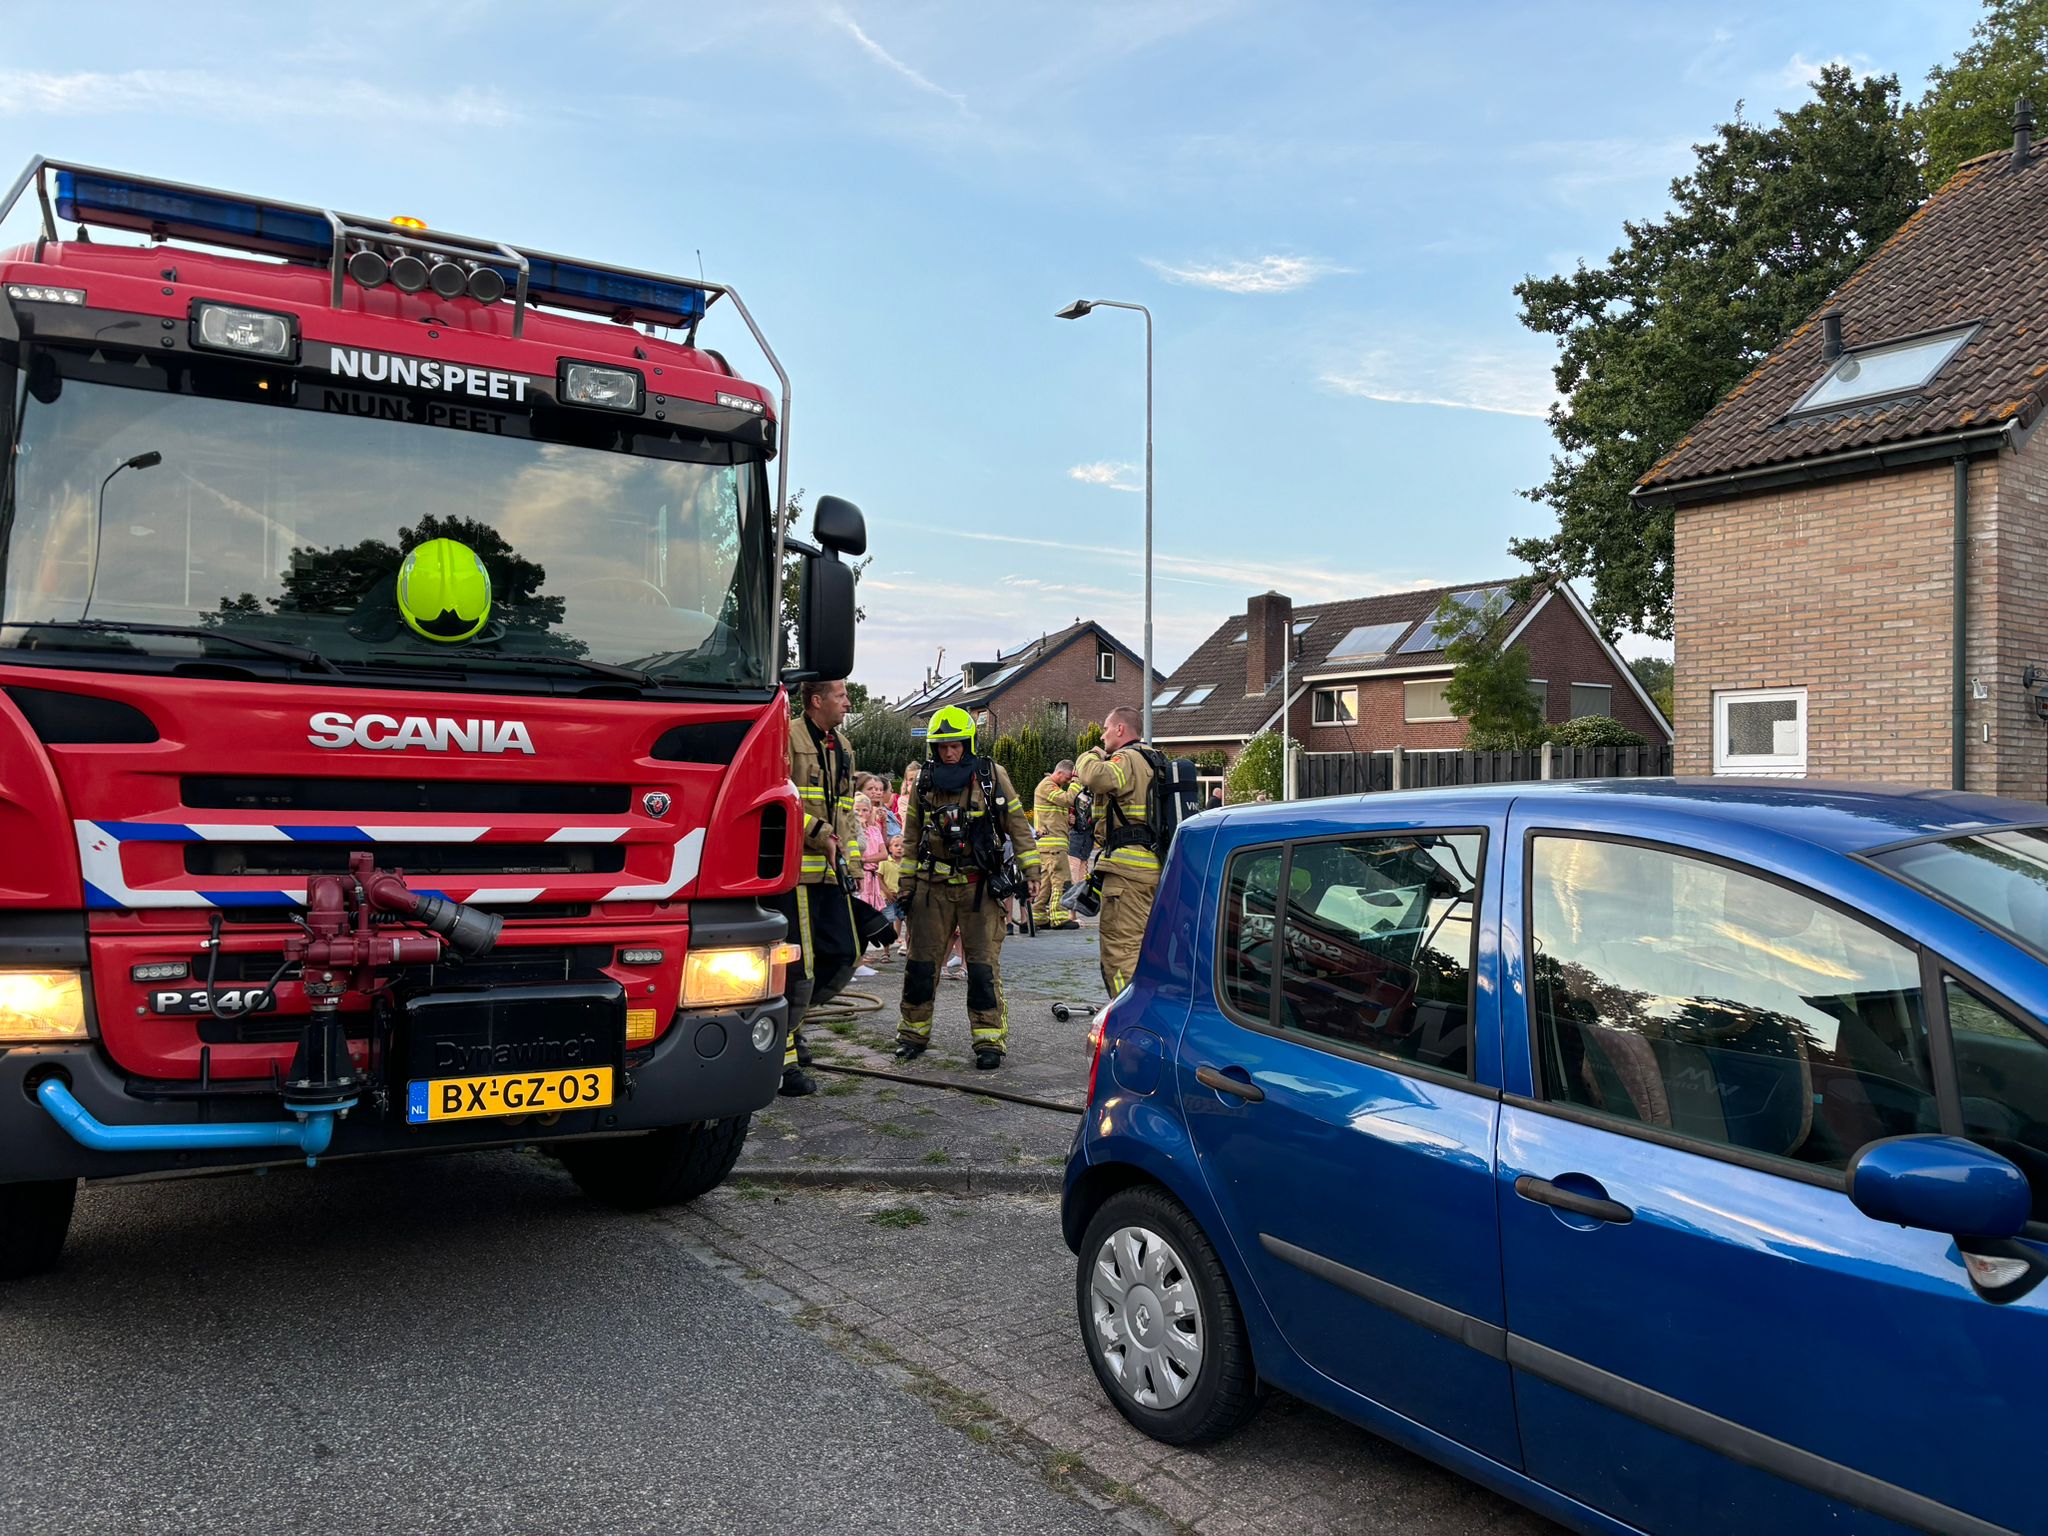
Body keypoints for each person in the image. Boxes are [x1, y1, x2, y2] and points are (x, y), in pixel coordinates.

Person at [895, 705, 1037, 1069]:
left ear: (967, 744)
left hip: (979, 888)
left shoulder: (990, 775)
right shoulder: (925, 780)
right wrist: (906, 886)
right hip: (932, 886)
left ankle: (989, 1042)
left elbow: (1018, 824)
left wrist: (1031, 870)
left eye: (955, 745)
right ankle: (912, 1035)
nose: (949, 752)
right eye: (942, 747)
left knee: (982, 969)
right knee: (921, 967)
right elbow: (911, 837)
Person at [774, 678, 861, 1096]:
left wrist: (852, 861)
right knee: (798, 969)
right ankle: (783, 1058)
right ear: (816, 700)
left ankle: (795, 1025)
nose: (848, 702)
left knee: (845, 952)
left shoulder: (841, 745)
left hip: (831, 872)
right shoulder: (784, 737)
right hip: (793, 874)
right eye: (841, 695)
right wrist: (818, 833)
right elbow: (777, 798)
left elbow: (846, 810)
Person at [1073, 705, 1160, 998]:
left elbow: (1096, 777)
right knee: (1143, 948)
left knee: (1119, 951)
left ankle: (1128, 1022)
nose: (1102, 734)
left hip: (1126, 875)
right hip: (1149, 867)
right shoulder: (1153, 759)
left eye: (1106, 728)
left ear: (1120, 729)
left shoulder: (1128, 758)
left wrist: (1090, 755)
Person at [1030, 759, 1082, 930]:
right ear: (1059, 773)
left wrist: (1068, 820)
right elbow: (1068, 799)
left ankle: (1038, 916)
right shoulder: (1047, 786)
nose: (1068, 782)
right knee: (1062, 880)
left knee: (1046, 883)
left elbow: (1054, 815)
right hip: (1053, 845)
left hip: (1050, 845)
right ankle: (1059, 918)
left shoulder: (1053, 789)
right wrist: (1076, 781)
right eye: (1067, 778)